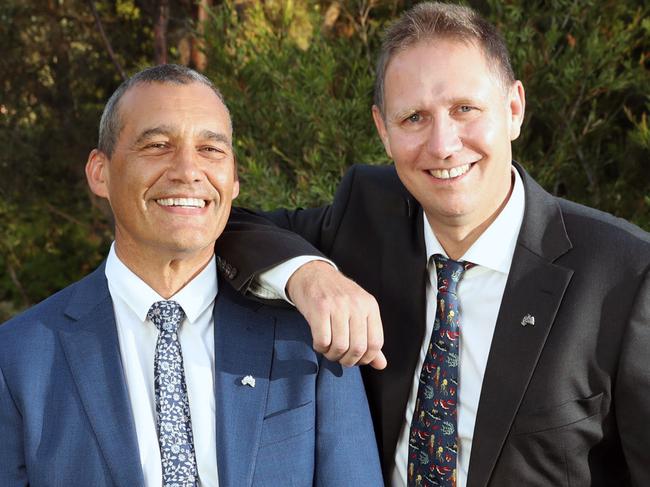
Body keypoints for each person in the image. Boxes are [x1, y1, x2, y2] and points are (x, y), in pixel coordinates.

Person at [218, 3, 650, 486]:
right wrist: (309, 275)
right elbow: (223, 226)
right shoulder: (366, 216)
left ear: (513, 110)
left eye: (465, 109)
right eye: (414, 118)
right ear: (383, 130)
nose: (443, 144)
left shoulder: (625, 274)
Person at [0, 64, 382, 487]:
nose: (187, 170)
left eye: (211, 150)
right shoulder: (18, 360)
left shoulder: (309, 338)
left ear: (234, 178)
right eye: (158, 145)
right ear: (100, 172)